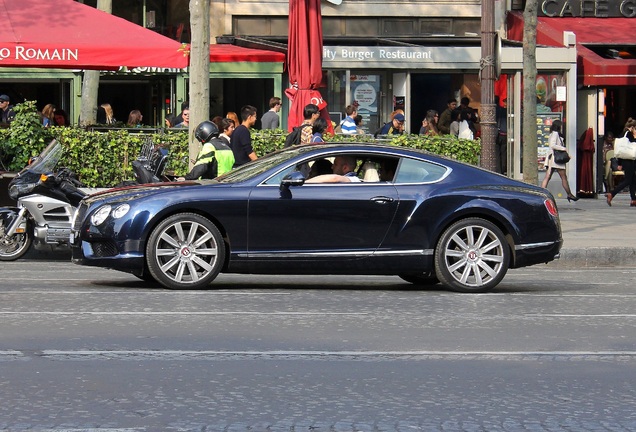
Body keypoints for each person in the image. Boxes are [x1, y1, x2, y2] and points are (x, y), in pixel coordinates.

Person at [541, 119, 578, 202]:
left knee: (548, 177)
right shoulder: (555, 134)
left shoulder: (552, 134)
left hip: (552, 158)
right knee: (563, 177)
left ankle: (542, 193)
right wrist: (564, 148)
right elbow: (553, 145)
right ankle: (569, 194)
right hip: (556, 159)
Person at [606, 118, 636, 207]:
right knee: (628, 180)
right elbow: (634, 144)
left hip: (626, 160)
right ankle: (612, 194)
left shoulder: (622, 134)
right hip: (629, 160)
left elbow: (620, 149)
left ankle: (633, 199)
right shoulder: (629, 134)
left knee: (633, 180)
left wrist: (619, 163)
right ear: (632, 127)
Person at [496, 96, 508, 175]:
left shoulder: (499, 111)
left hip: (500, 133)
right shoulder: (507, 111)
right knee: (504, 153)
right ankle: (503, 169)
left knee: (499, 153)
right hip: (505, 134)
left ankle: (500, 170)